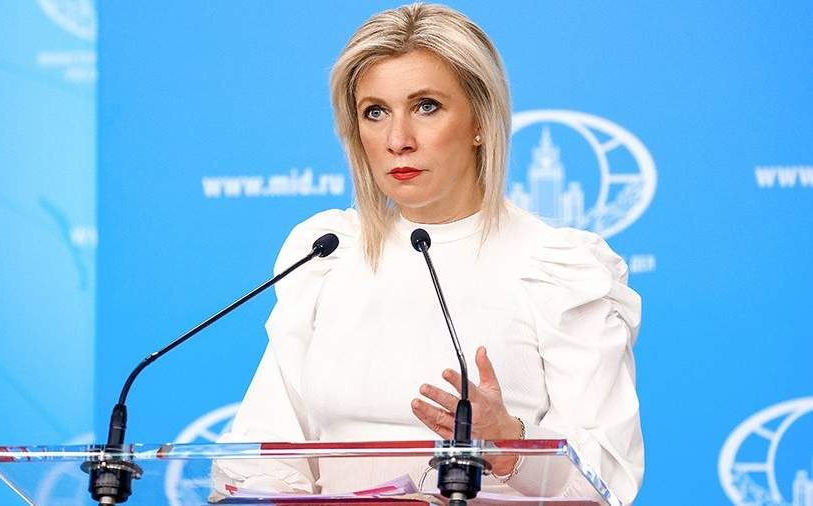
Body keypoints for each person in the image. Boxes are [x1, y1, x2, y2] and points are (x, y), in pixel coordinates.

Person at [215, 3, 644, 503]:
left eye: (426, 106)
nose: (398, 140)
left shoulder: (558, 267)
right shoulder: (328, 255)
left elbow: (604, 480)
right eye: (375, 112)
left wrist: (510, 443)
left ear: (480, 120)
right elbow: (265, 451)